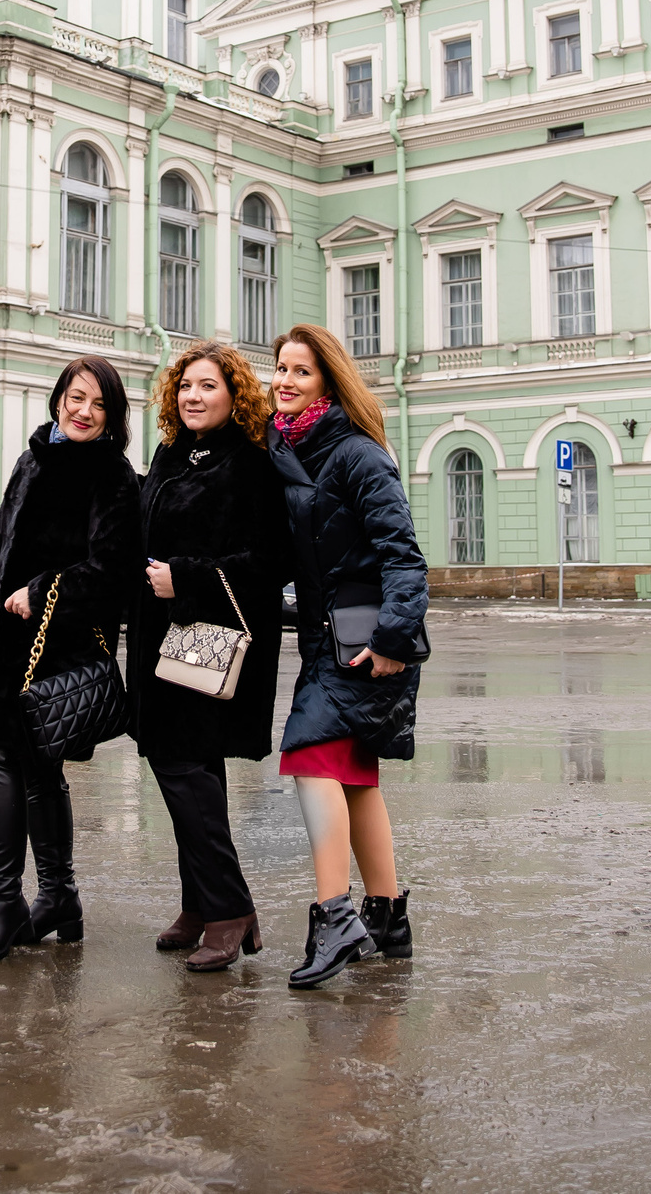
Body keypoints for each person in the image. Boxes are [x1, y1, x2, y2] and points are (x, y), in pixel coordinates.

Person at [0, 357, 143, 963]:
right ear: (58, 398)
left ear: (112, 416)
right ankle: (58, 897)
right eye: (75, 397)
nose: (82, 411)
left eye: (97, 404)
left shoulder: (113, 476)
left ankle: (3, 902)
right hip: (10, 644)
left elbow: (113, 573)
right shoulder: (32, 459)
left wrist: (42, 592)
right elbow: (0, 546)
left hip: (59, 645)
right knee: (34, 766)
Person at [269, 322, 429, 990]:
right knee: (355, 773)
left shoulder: (358, 454)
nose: (285, 379)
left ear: (327, 384)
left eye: (301, 370)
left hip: (368, 642)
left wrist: (394, 638)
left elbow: (404, 555)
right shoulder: (287, 450)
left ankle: (335, 916)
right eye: (279, 367)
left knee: (308, 755)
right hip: (328, 638)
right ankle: (387, 916)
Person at [129, 339, 290, 972]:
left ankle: (231, 911)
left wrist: (189, 578)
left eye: (207, 386)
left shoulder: (250, 463)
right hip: (157, 641)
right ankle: (200, 904)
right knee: (192, 775)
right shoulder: (169, 455)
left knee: (184, 770)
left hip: (209, 643)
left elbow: (272, 560)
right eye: (185, 386)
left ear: (234, 396)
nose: (193, 396)